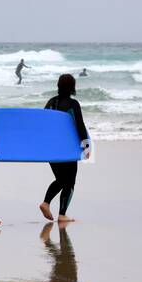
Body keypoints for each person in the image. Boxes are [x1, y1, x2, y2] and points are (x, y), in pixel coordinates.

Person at [39, 73, 89, 224]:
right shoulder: (73, 104)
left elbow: (42, 123)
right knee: (70, 181)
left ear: (58, 86)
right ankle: (62, 214)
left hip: (50, 149)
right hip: (67, 149)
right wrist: (86, 145)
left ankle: (46, 203)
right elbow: (79, 126)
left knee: (61, 180)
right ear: (73, 87)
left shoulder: (51, 102)